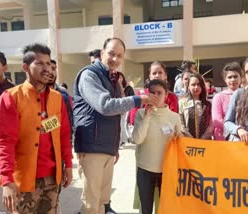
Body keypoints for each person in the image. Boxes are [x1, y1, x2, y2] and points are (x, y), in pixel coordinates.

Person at [73, 37, 159, 214]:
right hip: (91, 147)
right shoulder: (89, 75)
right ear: (102, 53)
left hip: (106, 147)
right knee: (91, 202)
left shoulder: (112, 78)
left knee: (103, 201)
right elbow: (105, 106)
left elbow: (116, 115)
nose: (115, 59)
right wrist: (137, 99)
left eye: (120, 56)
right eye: (111, 54)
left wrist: (114, 148)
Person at [0, 43, 73, 213]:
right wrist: (7, 180)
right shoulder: (11, 98)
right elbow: (5, 141)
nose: (46, 68)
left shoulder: (57, 98)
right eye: (39, 63)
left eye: (48, 63)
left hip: (52, 178)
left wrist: (68, 165)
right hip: (23, 180)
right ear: (25, 67)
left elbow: (63, 134)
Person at [132, 79, 181, 214]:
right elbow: (137, 139)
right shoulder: (140, 113)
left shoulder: (174, 117)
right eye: (152, 93)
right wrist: (147, 116)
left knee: (165, 209)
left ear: (166, 95)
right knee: (146, 209)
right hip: (145, 169)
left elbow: (180, 142)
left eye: (159, 93)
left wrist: (180, 137)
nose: (155, 96)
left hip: (166, 170)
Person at [129, 61, 178, 125]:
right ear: (149, 76)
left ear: (165, 76)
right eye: (154, 73)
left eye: (160, 73)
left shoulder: (171, 97)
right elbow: (133, 120)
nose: (157, 76)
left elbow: (173, 120)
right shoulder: (141, 95)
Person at [212, 62, 242, 140]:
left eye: (235, 76)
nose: (233, 79)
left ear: (241, 78)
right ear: (225, 79)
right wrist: (236, 130)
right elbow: (217, 120)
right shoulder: (219, 97)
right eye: (229, 77)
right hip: (223, 138)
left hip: (244, 138)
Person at [179, 73, 213, 139]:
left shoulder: (208, 104)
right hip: (187, 140)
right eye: (193, 85)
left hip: (205, 141)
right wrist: (189, 137)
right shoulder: (182, 102)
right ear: (188, 86)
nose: (196, 87)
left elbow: (211, 124)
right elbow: (180, 123)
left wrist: (204, 137)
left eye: (198, 84)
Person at [48, 59, 73, 134]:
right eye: (48, 69)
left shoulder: (63, 93)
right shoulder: (36, 94)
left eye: (53, 69)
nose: (51, 72)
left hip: (60, 138)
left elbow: (68, 120)